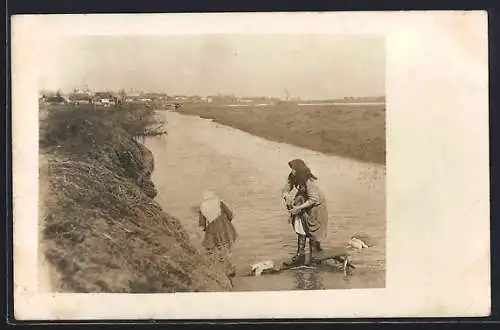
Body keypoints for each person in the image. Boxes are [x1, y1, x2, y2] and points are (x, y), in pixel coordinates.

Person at [281, 159, 329, 266]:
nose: (292, 171)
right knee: (300, 227)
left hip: (316, 207)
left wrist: (299, 208)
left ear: (299, 170)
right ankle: (300, 255)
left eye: (293, 169)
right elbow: (287, 186)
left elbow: (313, 199)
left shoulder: (309, 181)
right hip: (303, 202)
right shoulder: (294, 176)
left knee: (313, 229)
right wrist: (285, 193)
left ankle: (315, 256)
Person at [198, 190, 238, 277]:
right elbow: (230, 215)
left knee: (212, 249)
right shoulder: (219, 203)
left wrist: (208, 229)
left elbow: (202, 224)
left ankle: (219, 268)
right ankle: (229, 269)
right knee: (226, 248)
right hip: (225, 228)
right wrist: (227, 222)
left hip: (212, 229)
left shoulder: (202, 207)